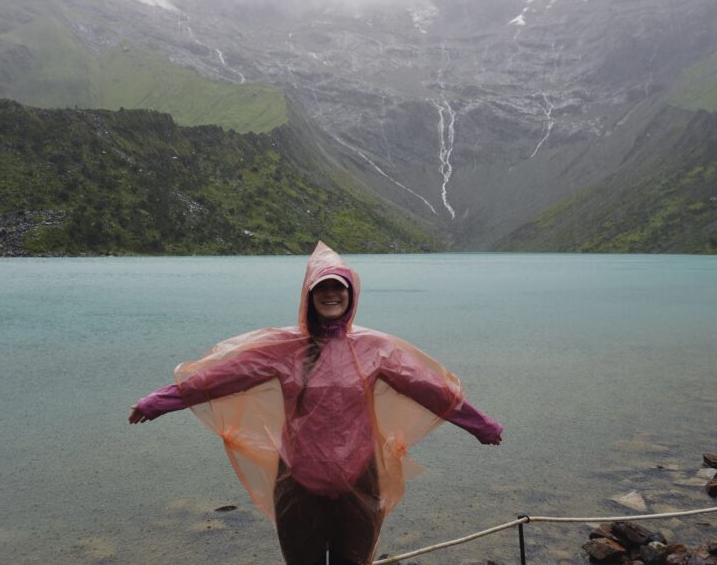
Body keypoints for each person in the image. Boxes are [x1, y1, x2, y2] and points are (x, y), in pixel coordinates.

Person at [128, 241, 502, 565]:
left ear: (351, 295)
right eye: (321, 287)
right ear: (308, 294)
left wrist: (479, 425)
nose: (330, 294)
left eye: (337, 288)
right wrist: (158, 402)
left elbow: (429, 388)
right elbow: (221, 377)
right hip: (298, 480)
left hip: (360, 477)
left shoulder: (375, 350)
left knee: (351, 560)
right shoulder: (284, 349)